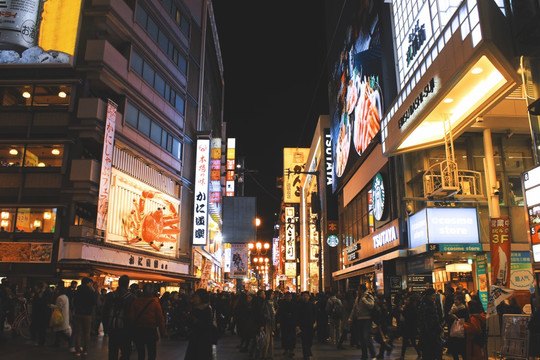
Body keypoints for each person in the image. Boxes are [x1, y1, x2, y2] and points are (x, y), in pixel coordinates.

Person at [129, 283, 166, 360]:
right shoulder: (155, 302)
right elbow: (160, 318)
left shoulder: (136, 301)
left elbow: (131, 317)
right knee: (152, 353)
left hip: (139, 330)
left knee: (140, 353)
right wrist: (163, 332)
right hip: (151, 330)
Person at [107, 275, 136, 360]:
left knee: (112, 352)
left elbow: (105, 312)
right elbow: (133, 315)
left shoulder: (110, 296)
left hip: (112, 327)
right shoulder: (132, 297)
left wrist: (106, 326)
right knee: (126, 352)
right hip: (126, 329)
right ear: (127, 284)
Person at [184, 289, 214, 360]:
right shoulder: (195, 308)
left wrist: (196, 321)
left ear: (201, 298)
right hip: (195, 339)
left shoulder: (206, 310)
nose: (194, 298)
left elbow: (206, 325)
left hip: (203, 340)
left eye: (196, 296)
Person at [348, 284, 376, 360]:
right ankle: (364, 355)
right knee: (362, 338)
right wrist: (350, 318)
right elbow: (354, 308)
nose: (357, 291)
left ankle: (372, 353)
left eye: (358, 289)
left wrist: (364, 300)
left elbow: (371, 305)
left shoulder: (367, 296)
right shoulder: (357, 298)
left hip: (367, 319)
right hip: (359, 319)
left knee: (365, 337)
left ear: (362, 290)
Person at [73, 277, 96, 356]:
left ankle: (78, 350)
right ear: (88, 283)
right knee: (86, 333)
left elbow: (74, 302)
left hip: (78, 313)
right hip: (87, 314)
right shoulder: (90, 291)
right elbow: (94, 302)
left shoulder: (77, 291)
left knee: (78, 333)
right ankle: (85, 350)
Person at [418, 288, 443, 360]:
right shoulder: (426, 306)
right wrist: (435, 330)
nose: (434, 297)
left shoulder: (429, 304)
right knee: (430, 354)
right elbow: (427, 321)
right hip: (430, 335)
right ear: (428, 296)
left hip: (431, 334)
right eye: (433, 296)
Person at [447, 293, 469, 360]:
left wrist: (456, 318)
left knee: (462, 350)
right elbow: (448, 318)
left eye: (457, 300)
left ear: (461, 301)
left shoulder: (463, 309)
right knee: (454, 351)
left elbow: (466, 319)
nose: (455, 301)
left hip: (461, 332)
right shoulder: (453, 308)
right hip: (453, 332)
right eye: (454, 300)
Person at [30, 281, 52, 346]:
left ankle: (40, 341)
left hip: (40, 313)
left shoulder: (43, 293)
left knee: (40, 328)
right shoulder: (40, 293)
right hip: (41, 313)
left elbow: (40, 302)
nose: (35, 287)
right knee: (40, 328)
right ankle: (39, 341)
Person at [276, 292, 297, 358]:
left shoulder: (294, 304)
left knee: (292, 337)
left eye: (289, 296)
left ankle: (291, 350)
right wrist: (278, 322)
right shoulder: (282, 304)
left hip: (292, 323)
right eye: (287, 297)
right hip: (284, 323)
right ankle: (286, 349)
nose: (288, 298)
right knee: (285, 336)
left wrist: (296, 324)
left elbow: (297, 314)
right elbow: (279, 314)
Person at [50, 283, 71, 348]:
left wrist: (51, 306)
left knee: (60, 331)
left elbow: (59, 307)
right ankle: (57, 343)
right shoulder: (66, 297)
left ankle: (69, 341)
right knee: (60, 331)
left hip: (60, 315)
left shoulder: (60, 297)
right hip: (64, 315)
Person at [399, 294, 420, 360]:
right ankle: (419, 354)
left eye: (407, 300)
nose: (406, 301)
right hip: (411, 327)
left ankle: (402, 356)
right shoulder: (414, 308)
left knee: (407, 342)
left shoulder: (408, 308)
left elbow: (405, 315)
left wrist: (402, 310)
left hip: (408, 327)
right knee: (411, 342)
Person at [297, 291, 316, 360]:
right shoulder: (299, 305)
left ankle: (308, 351)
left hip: (310, 325)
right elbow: (297, 316)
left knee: (310, 340)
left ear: (309, 297)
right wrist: (298, 325)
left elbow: (315, 314)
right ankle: (306, 354)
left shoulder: (312, 305)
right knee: (304, 340)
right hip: (303, 325)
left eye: (306, 296)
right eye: (304, 296)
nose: (305, 297)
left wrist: (314, 322)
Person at [261, 290, 276, 360]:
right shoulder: (266, 302)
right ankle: (265, 354)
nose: (273, 295)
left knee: (270, 340)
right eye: (272, 294)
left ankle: (269, 354)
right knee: (267, 340)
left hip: (271, 322)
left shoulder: (272, 302)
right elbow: (265, 313)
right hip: (267, 322)